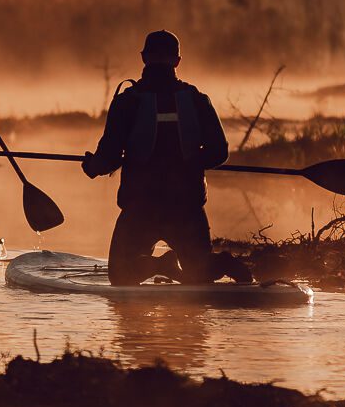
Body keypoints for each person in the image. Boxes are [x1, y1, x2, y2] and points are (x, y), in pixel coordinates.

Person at [81, 29, 249, 285]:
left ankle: (160, 264)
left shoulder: (127, 102)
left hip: (140, 208)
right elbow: (219, 152)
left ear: (144, 57)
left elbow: (109, 157)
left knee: (119, 277)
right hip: (187, 209)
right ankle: (222, 263)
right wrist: (189, 163)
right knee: (198, 275)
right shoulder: (197, 100)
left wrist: (92, 166)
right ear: (178, 61)